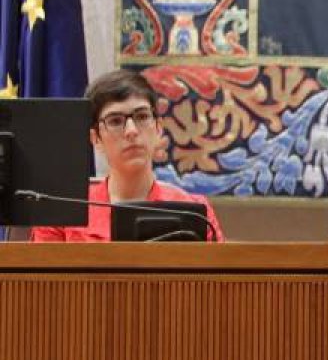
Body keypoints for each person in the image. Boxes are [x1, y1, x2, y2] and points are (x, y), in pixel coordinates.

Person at [31, 69, 225, 242]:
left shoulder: (196, 213)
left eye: (141, 117)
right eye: (115, 121)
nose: (131, 131)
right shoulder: (63, 213)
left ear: (158, 128)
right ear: (96, 138)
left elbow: (217, 282)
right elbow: (42, 282)